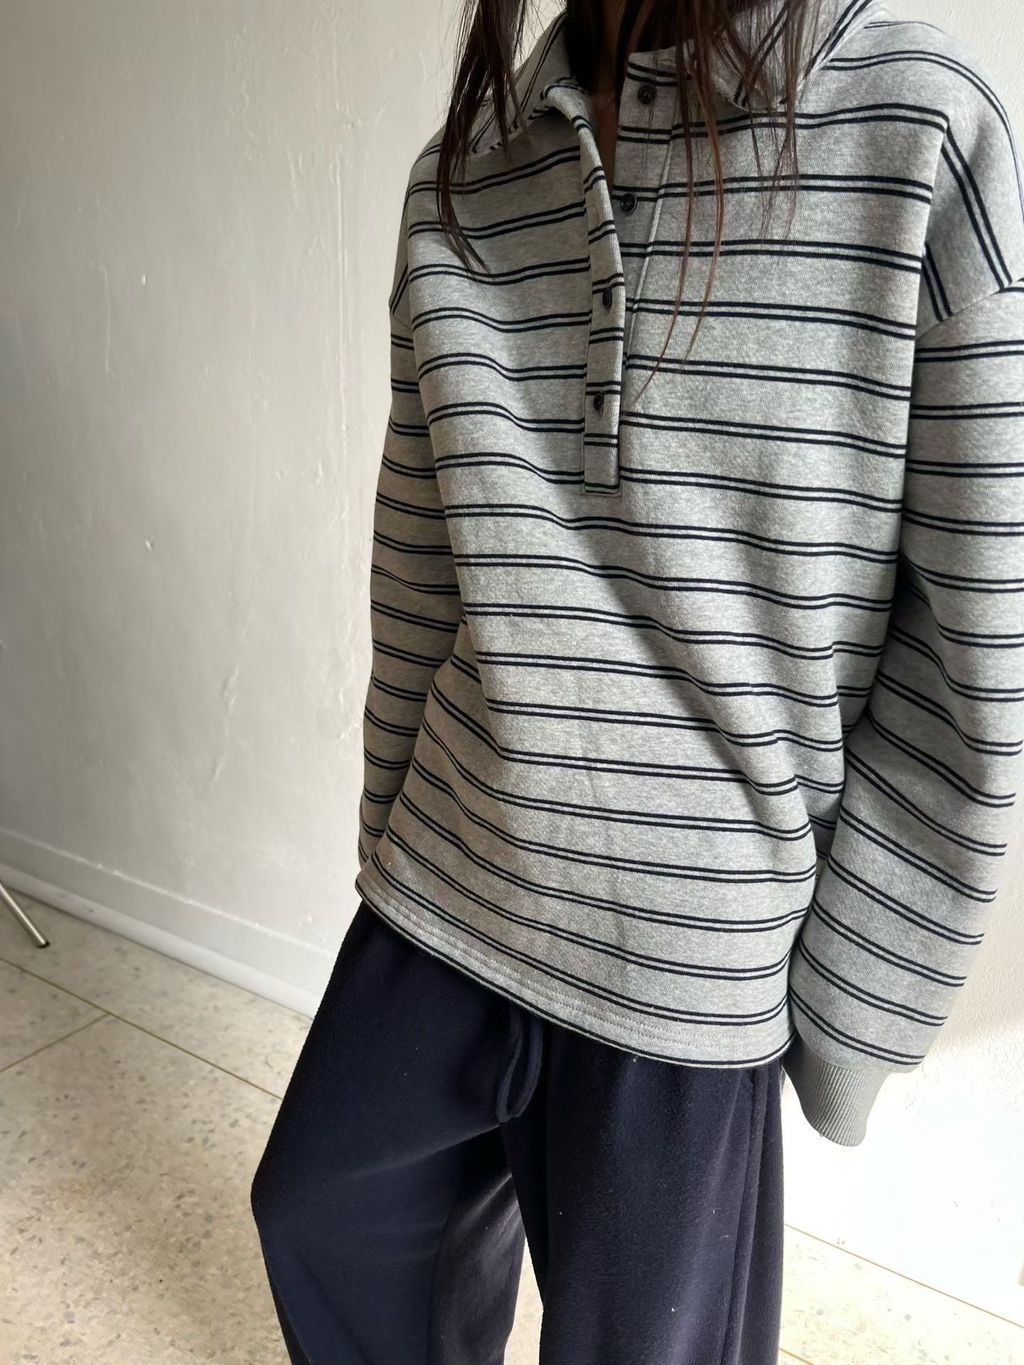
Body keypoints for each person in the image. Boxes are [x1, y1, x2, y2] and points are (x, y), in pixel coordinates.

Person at [250, 1, 1024, 1360]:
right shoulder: (471, 169)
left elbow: (976, 648)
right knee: (321, 1209)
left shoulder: (921, 131)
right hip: (449, 874)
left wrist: (851, 1007)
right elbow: (420, 566)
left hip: (691, 958)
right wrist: (382, 841)